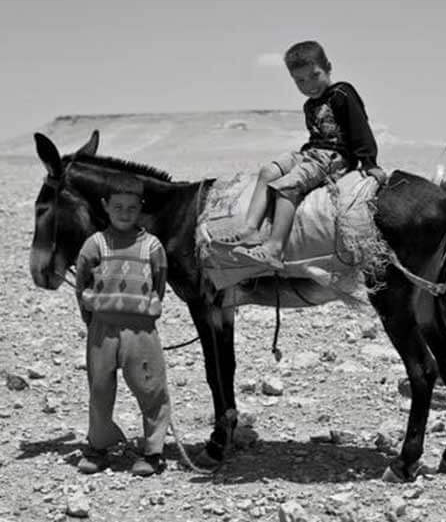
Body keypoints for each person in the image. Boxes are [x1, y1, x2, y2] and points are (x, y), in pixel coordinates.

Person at [206, 40, 382, 269]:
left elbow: (360, 127)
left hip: (335, 157)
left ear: (328, 67)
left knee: (287, 187)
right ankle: (250, 229)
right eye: (300, 80)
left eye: (314, 75)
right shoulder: (309, 105)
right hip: (312, 153)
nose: (309, 85)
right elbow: (315, 137)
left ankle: (274, 248)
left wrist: (369, 162)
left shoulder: (342, 93)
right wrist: (300, 159)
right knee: (268, 171)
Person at [73, 176, 171, 477]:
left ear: (140, 208)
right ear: (105, 206)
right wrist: (93, 316)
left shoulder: (152, 246)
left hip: (141, 332)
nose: (125, 213)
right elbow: (81, 285)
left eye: (132, 207)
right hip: (102, 330)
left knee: (150, 387)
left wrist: (142, 312)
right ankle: (99, 447)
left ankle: (153, 452)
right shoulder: (94, 244)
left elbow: (159, 283)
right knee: (100, 389)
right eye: (118, 206)